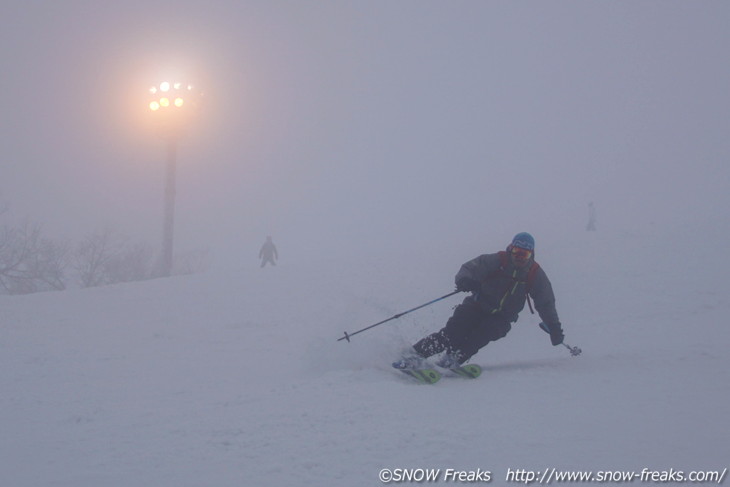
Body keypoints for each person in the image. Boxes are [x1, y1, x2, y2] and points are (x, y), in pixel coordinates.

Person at [393, 232, 565, 369]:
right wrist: (465, 281)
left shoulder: (534, 274)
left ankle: (451, 361)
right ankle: (413, 355)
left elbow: (546, 302)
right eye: (516, 252)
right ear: (510, 249)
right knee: (451, 335)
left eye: (524, 254)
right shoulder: (497, 260)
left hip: (502, 317)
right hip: (476, 305)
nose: (519, 257)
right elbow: (469, 268)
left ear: (531, 254)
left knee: (479, 337)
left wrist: (554, 327)